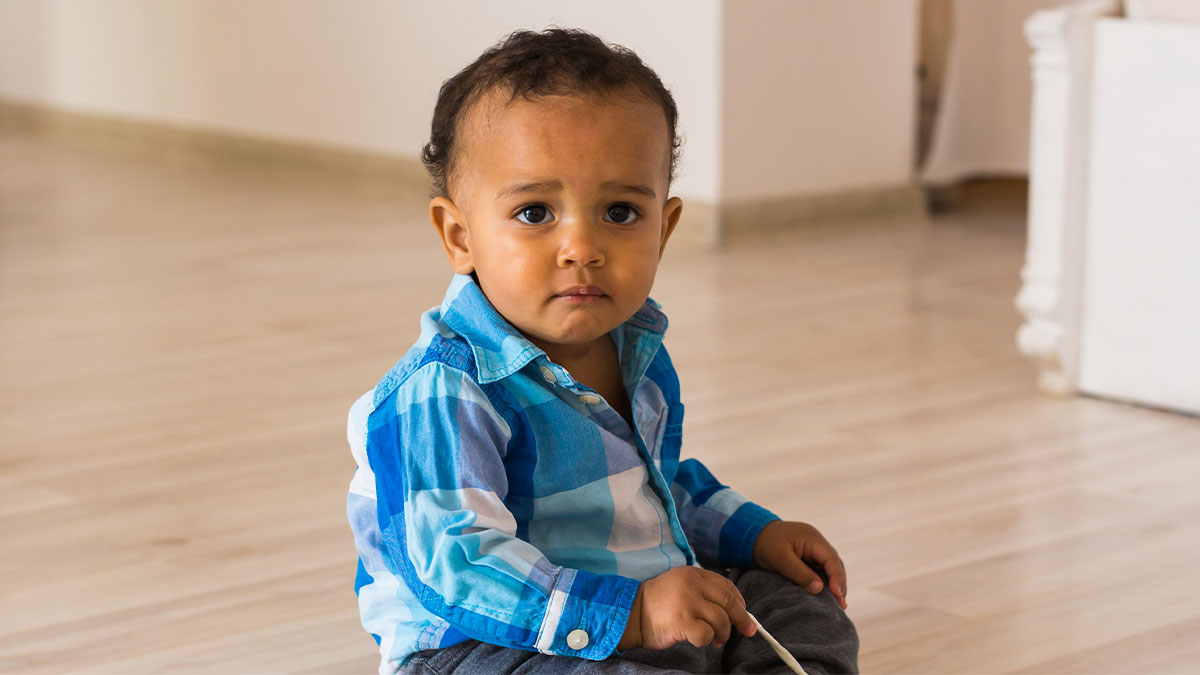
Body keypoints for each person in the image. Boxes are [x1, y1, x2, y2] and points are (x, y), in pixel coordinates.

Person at [345, 28, 859, 675]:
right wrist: (633, 614)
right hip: (483, 641)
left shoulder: (634, 350)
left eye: (619, 212)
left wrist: (753, 534)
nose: (581, 246)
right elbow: (455, 565)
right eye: (535, 213)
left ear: (665, 228)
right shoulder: (443, 388)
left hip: (635, 595)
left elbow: (648, 492)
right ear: (460, 235)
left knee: (797, 603)